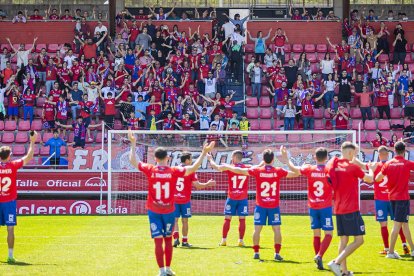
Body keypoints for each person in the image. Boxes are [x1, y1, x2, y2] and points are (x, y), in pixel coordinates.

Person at [128, 130, 215, 276]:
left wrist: (133, 143)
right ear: (167, 158)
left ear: (155, 158)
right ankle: (168, 268)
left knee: (157, 241)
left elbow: (133, 161)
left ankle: (162, 271)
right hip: (169, 210)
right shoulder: (174, 170)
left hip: (154, 211)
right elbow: (193, 168)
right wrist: (203, 152)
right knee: (168, 239)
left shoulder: (150, 169)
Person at [217, 148, 298, 261]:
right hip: (274, 206)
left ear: (263, 160)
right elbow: (296, 173)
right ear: (273, 159)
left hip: (260, 206)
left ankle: (256, 252)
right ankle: (277, 254)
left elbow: (240, 171)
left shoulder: (258, 171)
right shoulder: (278, 171)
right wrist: (287, 159)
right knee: (277, 230)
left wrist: (228, 166)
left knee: (257, 230)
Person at [327, 142, 376, 276]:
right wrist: (371, 168)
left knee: (343, 240)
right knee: (359, 240)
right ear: (350, 153)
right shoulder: (352, 168)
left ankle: (344, 271)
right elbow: (370, 179)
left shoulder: (334, 165)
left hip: (338, 208)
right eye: (354, 153)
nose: (355, 155)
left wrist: (353, 153)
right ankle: (336, 263)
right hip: (351, 209)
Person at [283, 147, 333, 270]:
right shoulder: (329, 170)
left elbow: (294, 169)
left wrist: (286, 159)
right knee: (329, 234)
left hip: (313, 207)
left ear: (315, 157)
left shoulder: (309, 168)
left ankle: (317, 257)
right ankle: (319, 255)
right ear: (327, 158)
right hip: (325, 207)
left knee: (316, 234)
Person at [0, 130, 38, 263]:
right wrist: (32, 141)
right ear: (9, 156)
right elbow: (29, 157)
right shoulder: (13, 165)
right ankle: (10, 256)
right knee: (10, 229)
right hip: (9, 202)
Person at [375, 141, 414, 259]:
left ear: (394, 150)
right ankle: (391, 252)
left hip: (392, 197)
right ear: (404, 151)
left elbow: (377, 179)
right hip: (402, 198)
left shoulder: (388, 164)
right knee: (397, 225)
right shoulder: (407, 163)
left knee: (405, 224)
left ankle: (412, 249)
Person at [207, 150, 251, 247]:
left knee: (227, 219)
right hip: (242, 198)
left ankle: (224, 240)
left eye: (232, 157)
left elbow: (215, 167)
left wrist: (210, 159)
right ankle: (240, 240)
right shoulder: (247, 168)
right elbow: (258, 167)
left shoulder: (229, 167)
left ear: (235, 157)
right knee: (242, 219)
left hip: (231, 197)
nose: (231, 158)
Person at [172, 152, 216, 248]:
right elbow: (198, 186)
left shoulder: (174, 169)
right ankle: (184, 241)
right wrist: (208, 183)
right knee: (185, 221)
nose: (192, 161)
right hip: (185, 200)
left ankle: (175, 238)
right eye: (191, 159)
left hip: (174, 199)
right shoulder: (190, 171)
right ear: (187, 160)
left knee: (174, 220)